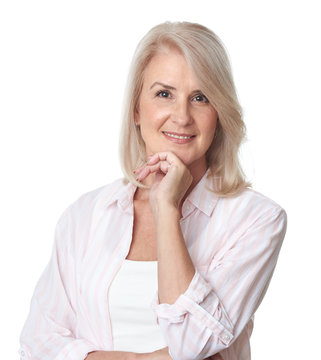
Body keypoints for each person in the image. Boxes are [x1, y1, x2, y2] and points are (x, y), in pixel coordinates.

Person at [19, 22, 287, 360]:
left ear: (218, 114)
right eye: (164, 94)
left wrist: (167, 209)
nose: (182, 116)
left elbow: (193, 344)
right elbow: (36, 344)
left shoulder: (256, 220)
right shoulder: (84, 216)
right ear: (135, 109)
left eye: (200, 98)